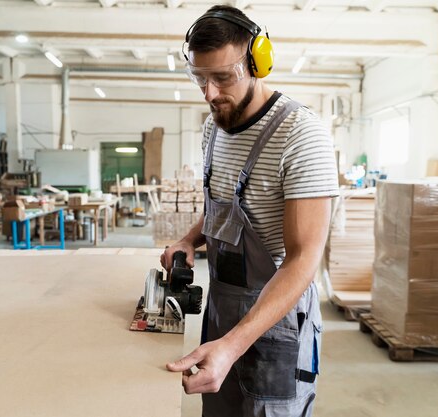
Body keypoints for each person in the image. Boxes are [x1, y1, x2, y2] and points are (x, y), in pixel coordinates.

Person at [160, 5, 339, 417]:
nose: (209, 93)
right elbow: (224, 207)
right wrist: (189, 239)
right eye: (199, 78)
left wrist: (233, 345)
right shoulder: (214, 127)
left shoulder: (300, 134)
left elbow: (302, 260)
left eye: (223, 77)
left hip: (276, 320)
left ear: (258, 61)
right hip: (222, 309)